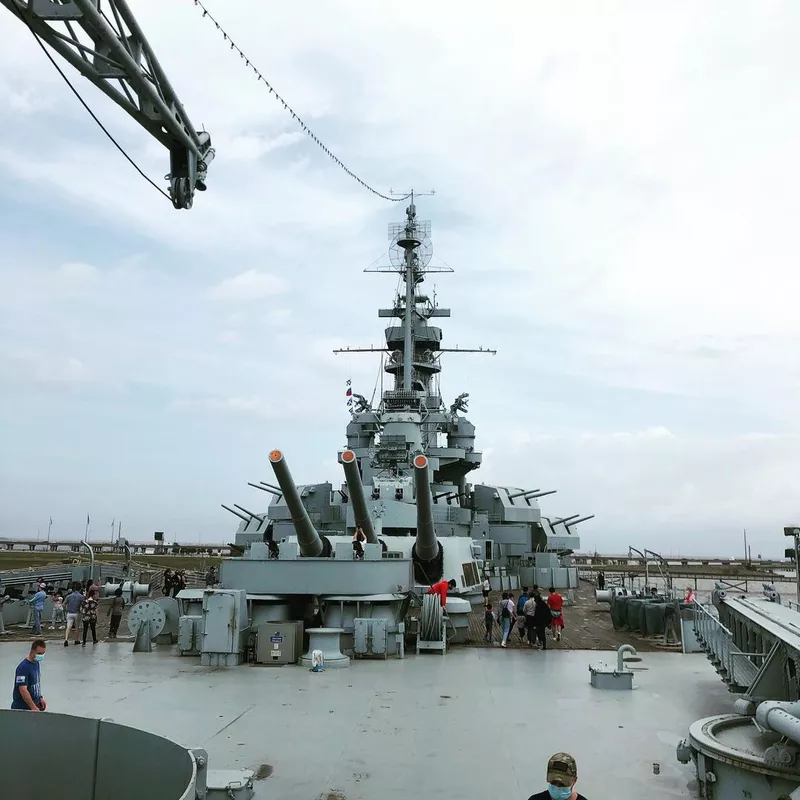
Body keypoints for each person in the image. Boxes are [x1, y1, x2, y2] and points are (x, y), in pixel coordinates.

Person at [11, 639, 47, 712]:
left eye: (43, 653)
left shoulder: (36, 663)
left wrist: (40, 698)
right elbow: (23, 690)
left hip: (35, 705)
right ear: (32, 651)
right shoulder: (23, 668)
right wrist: (33, 707)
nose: (41, 656)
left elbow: (35, 683)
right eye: (39, 653)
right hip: (23, 708)